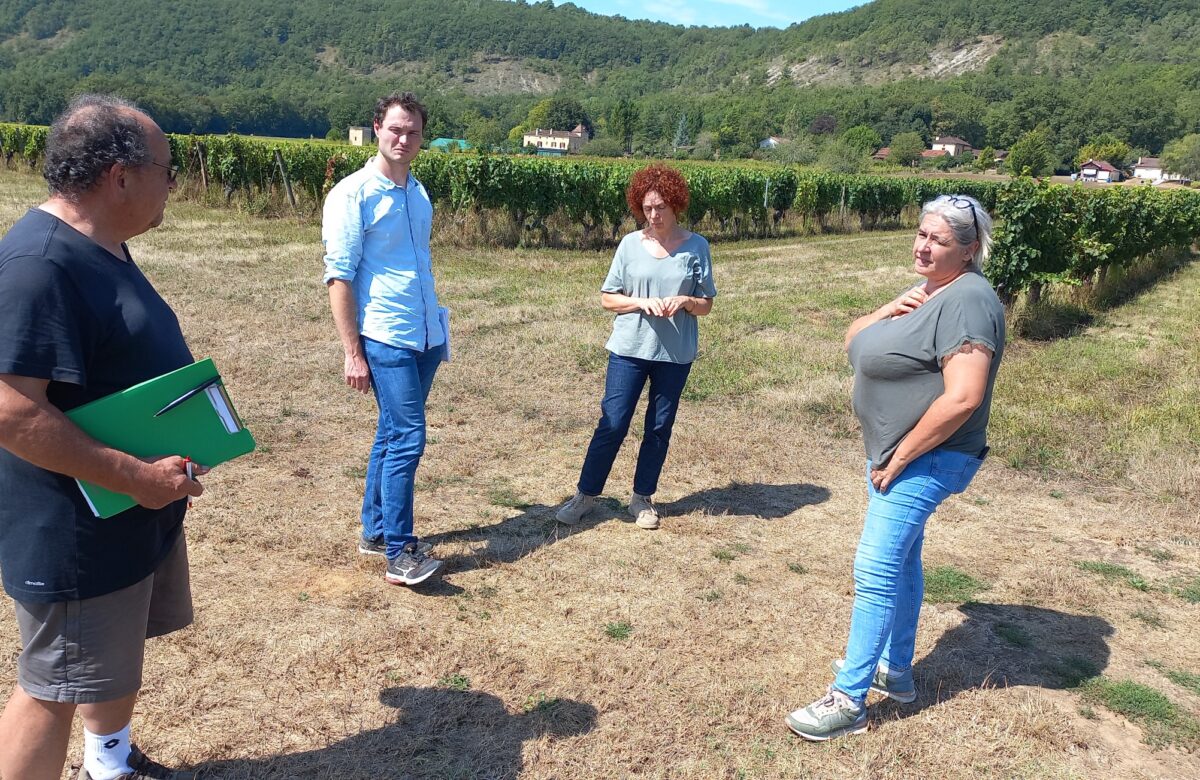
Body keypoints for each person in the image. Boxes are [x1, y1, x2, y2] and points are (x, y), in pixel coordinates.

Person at [0, 95, 206, 780]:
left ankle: (109, 764)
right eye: (165, 170)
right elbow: (9, 410)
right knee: (51, 686)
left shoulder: (101, 246)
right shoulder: (39, 265)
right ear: (120, 176)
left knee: (105, 658)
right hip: (75, 529)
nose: (170, 186)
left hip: (124, 513)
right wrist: (135, 477)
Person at [784, 195, 1005, 741]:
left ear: (970, 249)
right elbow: (854, 340)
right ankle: (896, 670)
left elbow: (964, 398)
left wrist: (901, 456)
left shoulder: (970, 300)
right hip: (897, 455)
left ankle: (849, 699)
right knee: (902, 561)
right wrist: (891, 308)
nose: (923, 246)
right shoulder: (933, 291)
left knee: (876, 568)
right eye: (921, 233)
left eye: (938, 240)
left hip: (925, 457)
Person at [323, 92, 447, 587]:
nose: (403, 139)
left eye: (413, 131)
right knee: (408, 439)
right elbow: (339, 277)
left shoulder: (418, 194)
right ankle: (400, 553)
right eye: (395, 129)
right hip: (386, 336)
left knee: (392, 433)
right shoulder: (353, 195)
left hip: (425, 335)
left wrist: (435, 332)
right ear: (377, 128)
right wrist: (353, 351)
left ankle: (374, 533)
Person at [555, 164, 716, 531]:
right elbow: (608, 298)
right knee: (612, 423)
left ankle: (642, 498)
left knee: (659, 427)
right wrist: (641, 303)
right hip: (629, 349)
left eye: (660, 207)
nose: (654, 215)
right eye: (647, 208)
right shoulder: (630, 244)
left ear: (676, 204)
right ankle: (585, 495)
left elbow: (706, 304)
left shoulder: (697, 247)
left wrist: (686, 301)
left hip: (674, 354)